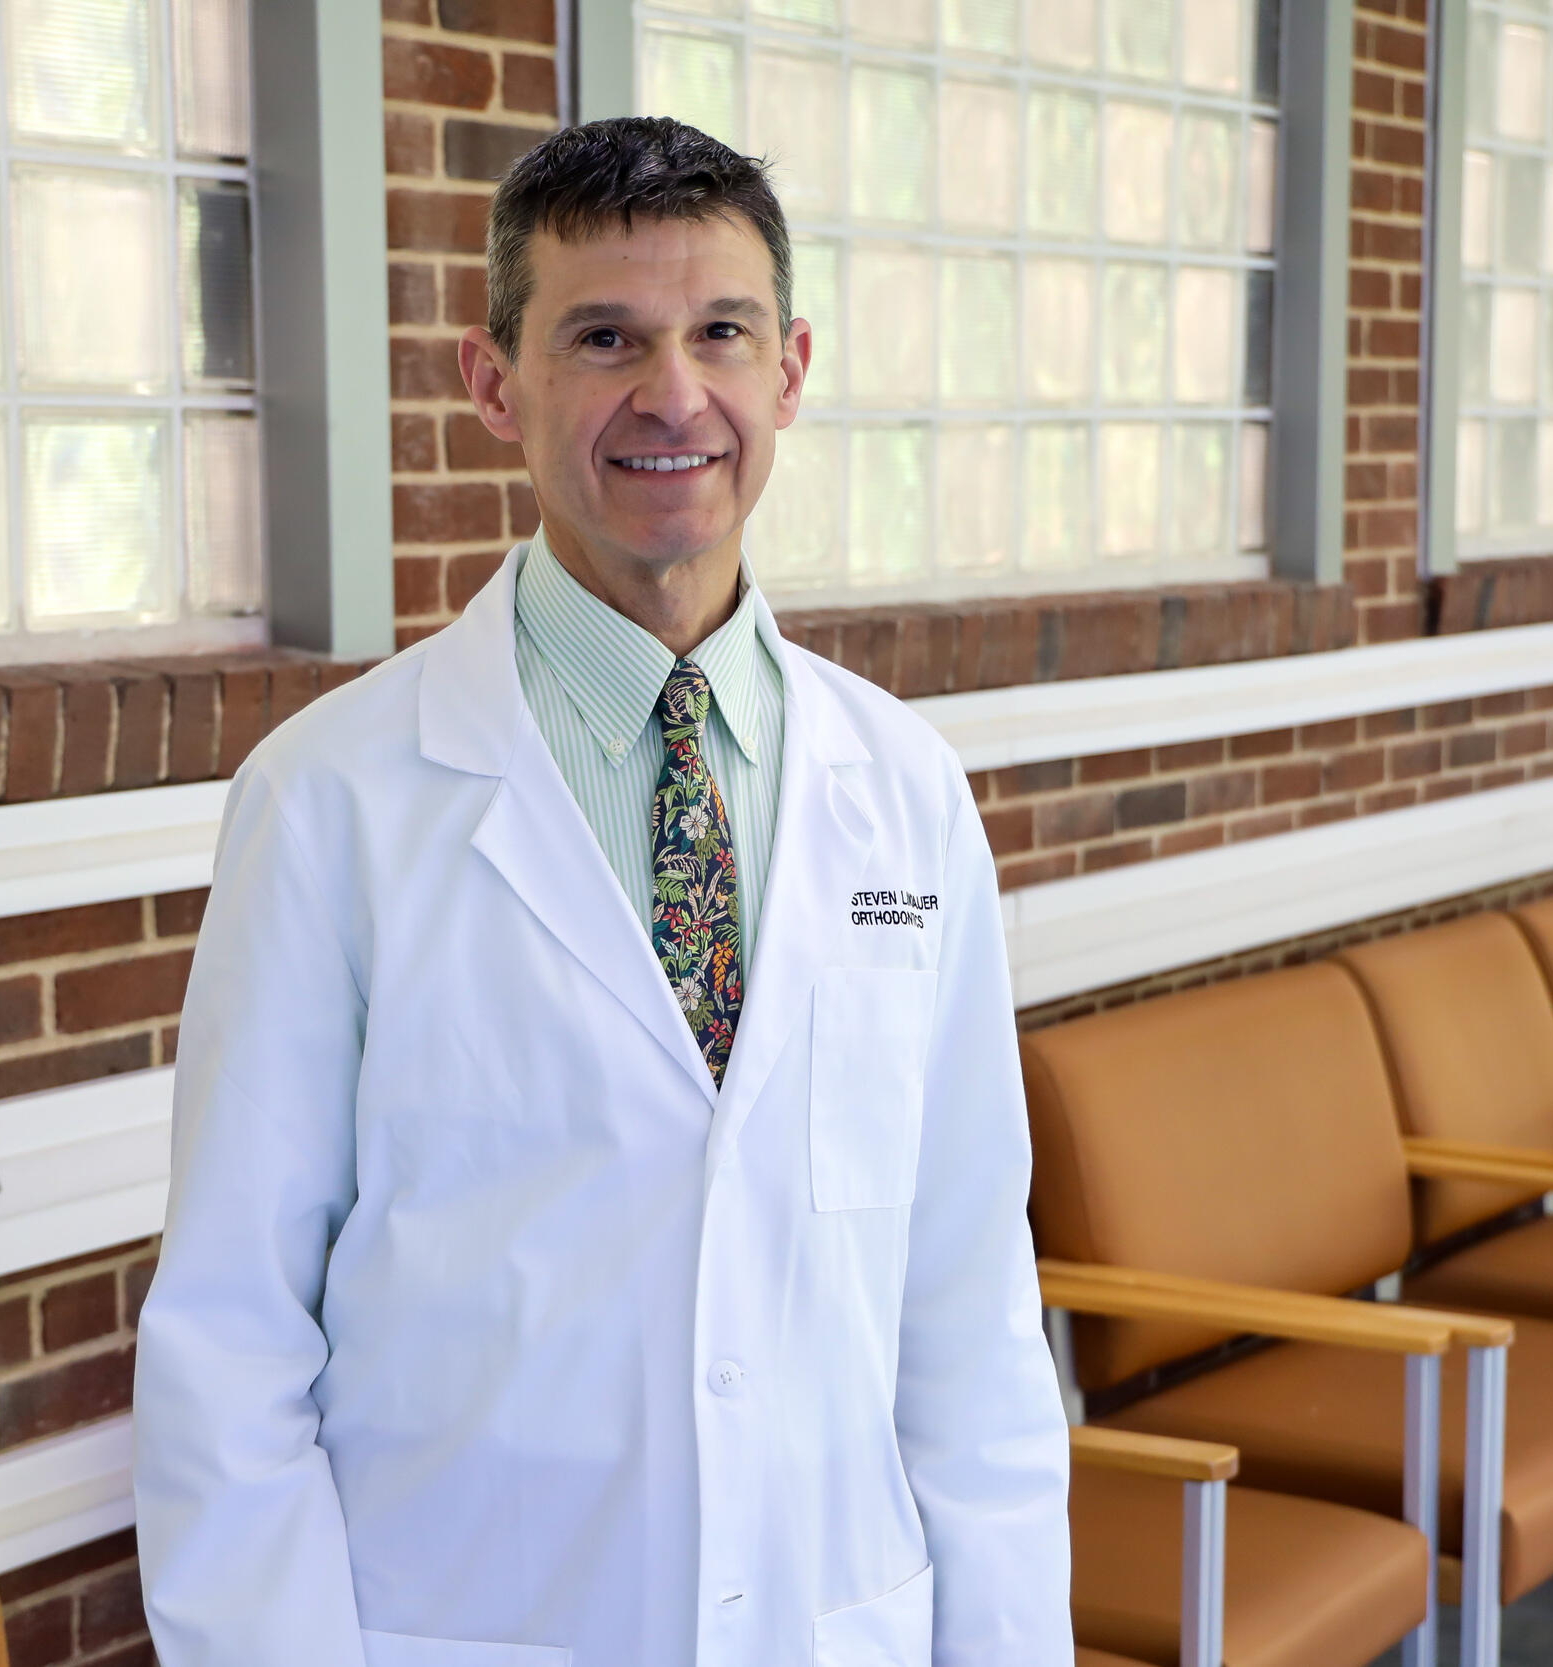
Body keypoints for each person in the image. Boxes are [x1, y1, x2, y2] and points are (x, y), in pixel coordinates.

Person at [133, 116, 1073, 1667]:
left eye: (721, 333)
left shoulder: (905, 794)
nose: (674, 393)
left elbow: (966, 1313)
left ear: (792, 371)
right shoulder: (332, 802)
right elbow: (233, 1344)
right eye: (605, 338)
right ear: (494, 383)